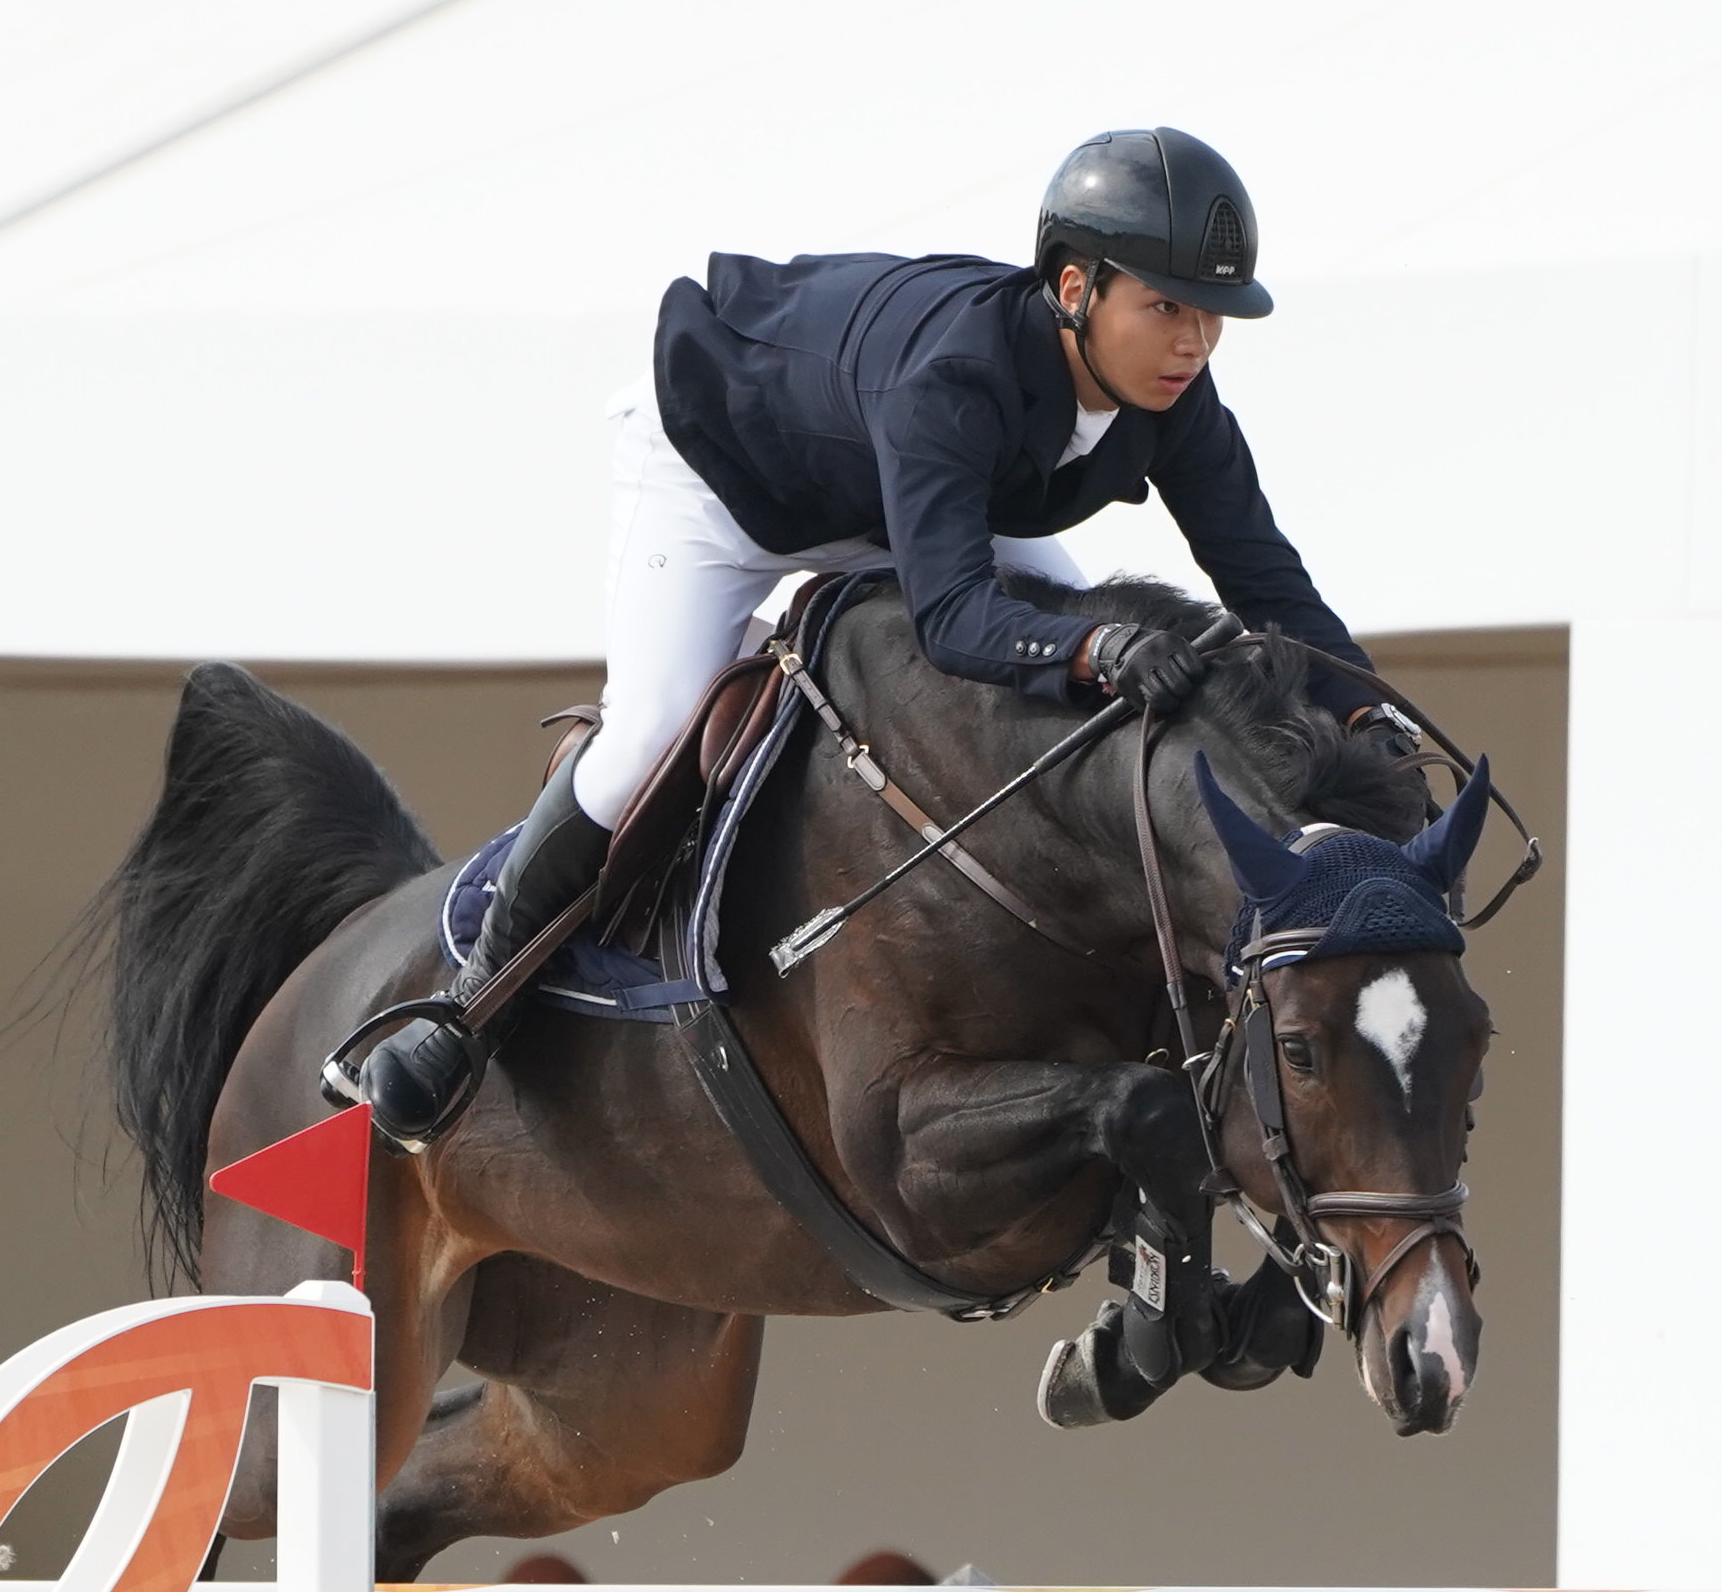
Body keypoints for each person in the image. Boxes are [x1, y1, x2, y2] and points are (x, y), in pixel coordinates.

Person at [346, 126, 1377, 1144]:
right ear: (1073, 289)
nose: (1193, 344)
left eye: (1210, 317)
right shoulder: (954, 375)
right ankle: (467, 1002)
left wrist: (1367, 709)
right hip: (723, 478)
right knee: (649, 731)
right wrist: (1086, 652)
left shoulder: (1176, 399)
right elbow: (954, 618)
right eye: (1164, 308)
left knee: (1094, 646)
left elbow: (1262, 578)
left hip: (910, 492)